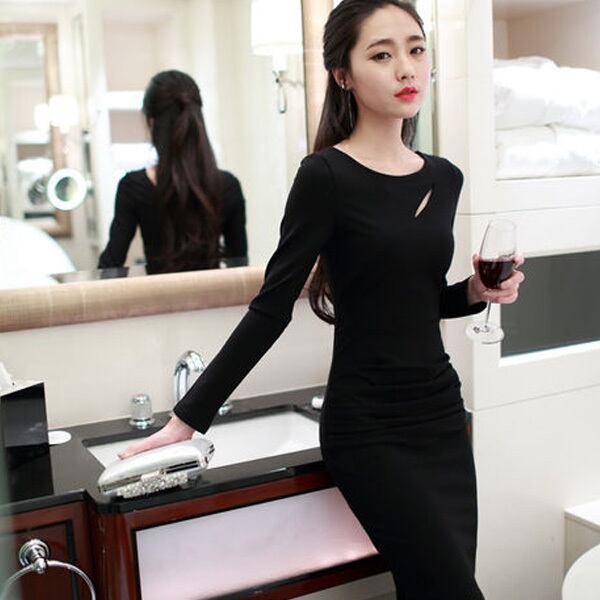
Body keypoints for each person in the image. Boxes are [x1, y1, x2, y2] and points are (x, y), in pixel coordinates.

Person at [120, 2, 525, 598]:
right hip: (370, 427)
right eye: (381, 54)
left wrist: (475, 292)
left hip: (441, 416)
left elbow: (410, 302)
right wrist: (186, 421)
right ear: (343, 74)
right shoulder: (326, 177)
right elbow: (270, 309)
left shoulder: (445, 178)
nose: (406, 67)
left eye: (416, 49)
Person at [98, 70, 248, 274]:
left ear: (150, 121)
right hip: (215, 296)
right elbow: (239, 270)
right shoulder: (229, 186)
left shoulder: (133, 187)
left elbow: (110, 266)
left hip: (160, 295)